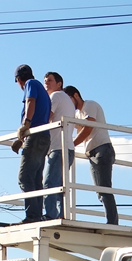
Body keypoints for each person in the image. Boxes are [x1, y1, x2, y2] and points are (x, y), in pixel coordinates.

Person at [63, 86, 118, 225]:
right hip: (93, 153)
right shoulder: (78, 114)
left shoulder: (90, 105)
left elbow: (88, 128)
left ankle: (112, 222)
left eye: (69, 100)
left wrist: (71, 144)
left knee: (103, 189)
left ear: (75, 95)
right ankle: (111, 220)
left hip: (102, 150)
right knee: (100, 190)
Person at [12, 64, 52, 224]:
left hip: (36, 136)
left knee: (24, 177)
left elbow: (30, 101)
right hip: (43, 137)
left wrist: (25, 124)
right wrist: (21, 139)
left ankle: (33, 215)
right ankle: (36, 214)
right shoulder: (42, 90)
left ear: (18, 80)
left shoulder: (31, 84)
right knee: (35, 178)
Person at [42, 71, 76, 220]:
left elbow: (46, 117)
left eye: (49, 80)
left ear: (59, 84)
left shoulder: (55, 96)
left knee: (49, 183)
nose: (46, 83)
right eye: (45, 80)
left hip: (58, 147)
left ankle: (50, 215)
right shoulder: (67, 100)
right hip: (68, 148)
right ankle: (61, 215)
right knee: (61, 185)